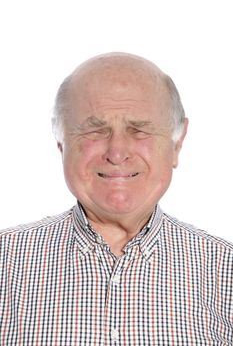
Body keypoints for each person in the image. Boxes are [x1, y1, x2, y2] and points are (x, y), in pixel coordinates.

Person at [0, 52, 232, 345]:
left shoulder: (226, 271)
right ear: (61, 141)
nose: (117, 152)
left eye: (139, 130)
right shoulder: (5, 265)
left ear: (177, 142)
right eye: (95, 130)